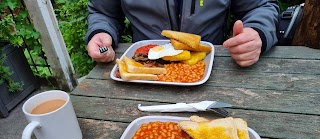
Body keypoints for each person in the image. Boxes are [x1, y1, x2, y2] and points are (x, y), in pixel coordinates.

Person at [85, 0, 279, 67]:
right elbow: (103, 12)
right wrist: (101, 31)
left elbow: (260, 6)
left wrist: (257, 33)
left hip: (213, 66)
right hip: (144, 69)